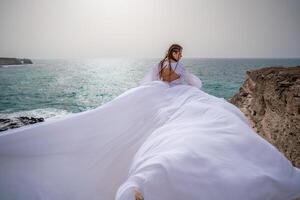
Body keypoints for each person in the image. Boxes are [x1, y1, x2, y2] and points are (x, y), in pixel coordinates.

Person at [0, 44, 300, 200]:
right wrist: (177, 75)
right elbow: (167, 79)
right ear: (169, 53)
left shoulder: (177, 66)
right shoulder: (166, 67)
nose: (178, 55)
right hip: (167, 96)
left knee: (211, 117)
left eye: (180, 53)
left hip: (181, 95)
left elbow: (185, 80)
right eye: (175, 52)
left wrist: (183, 76)